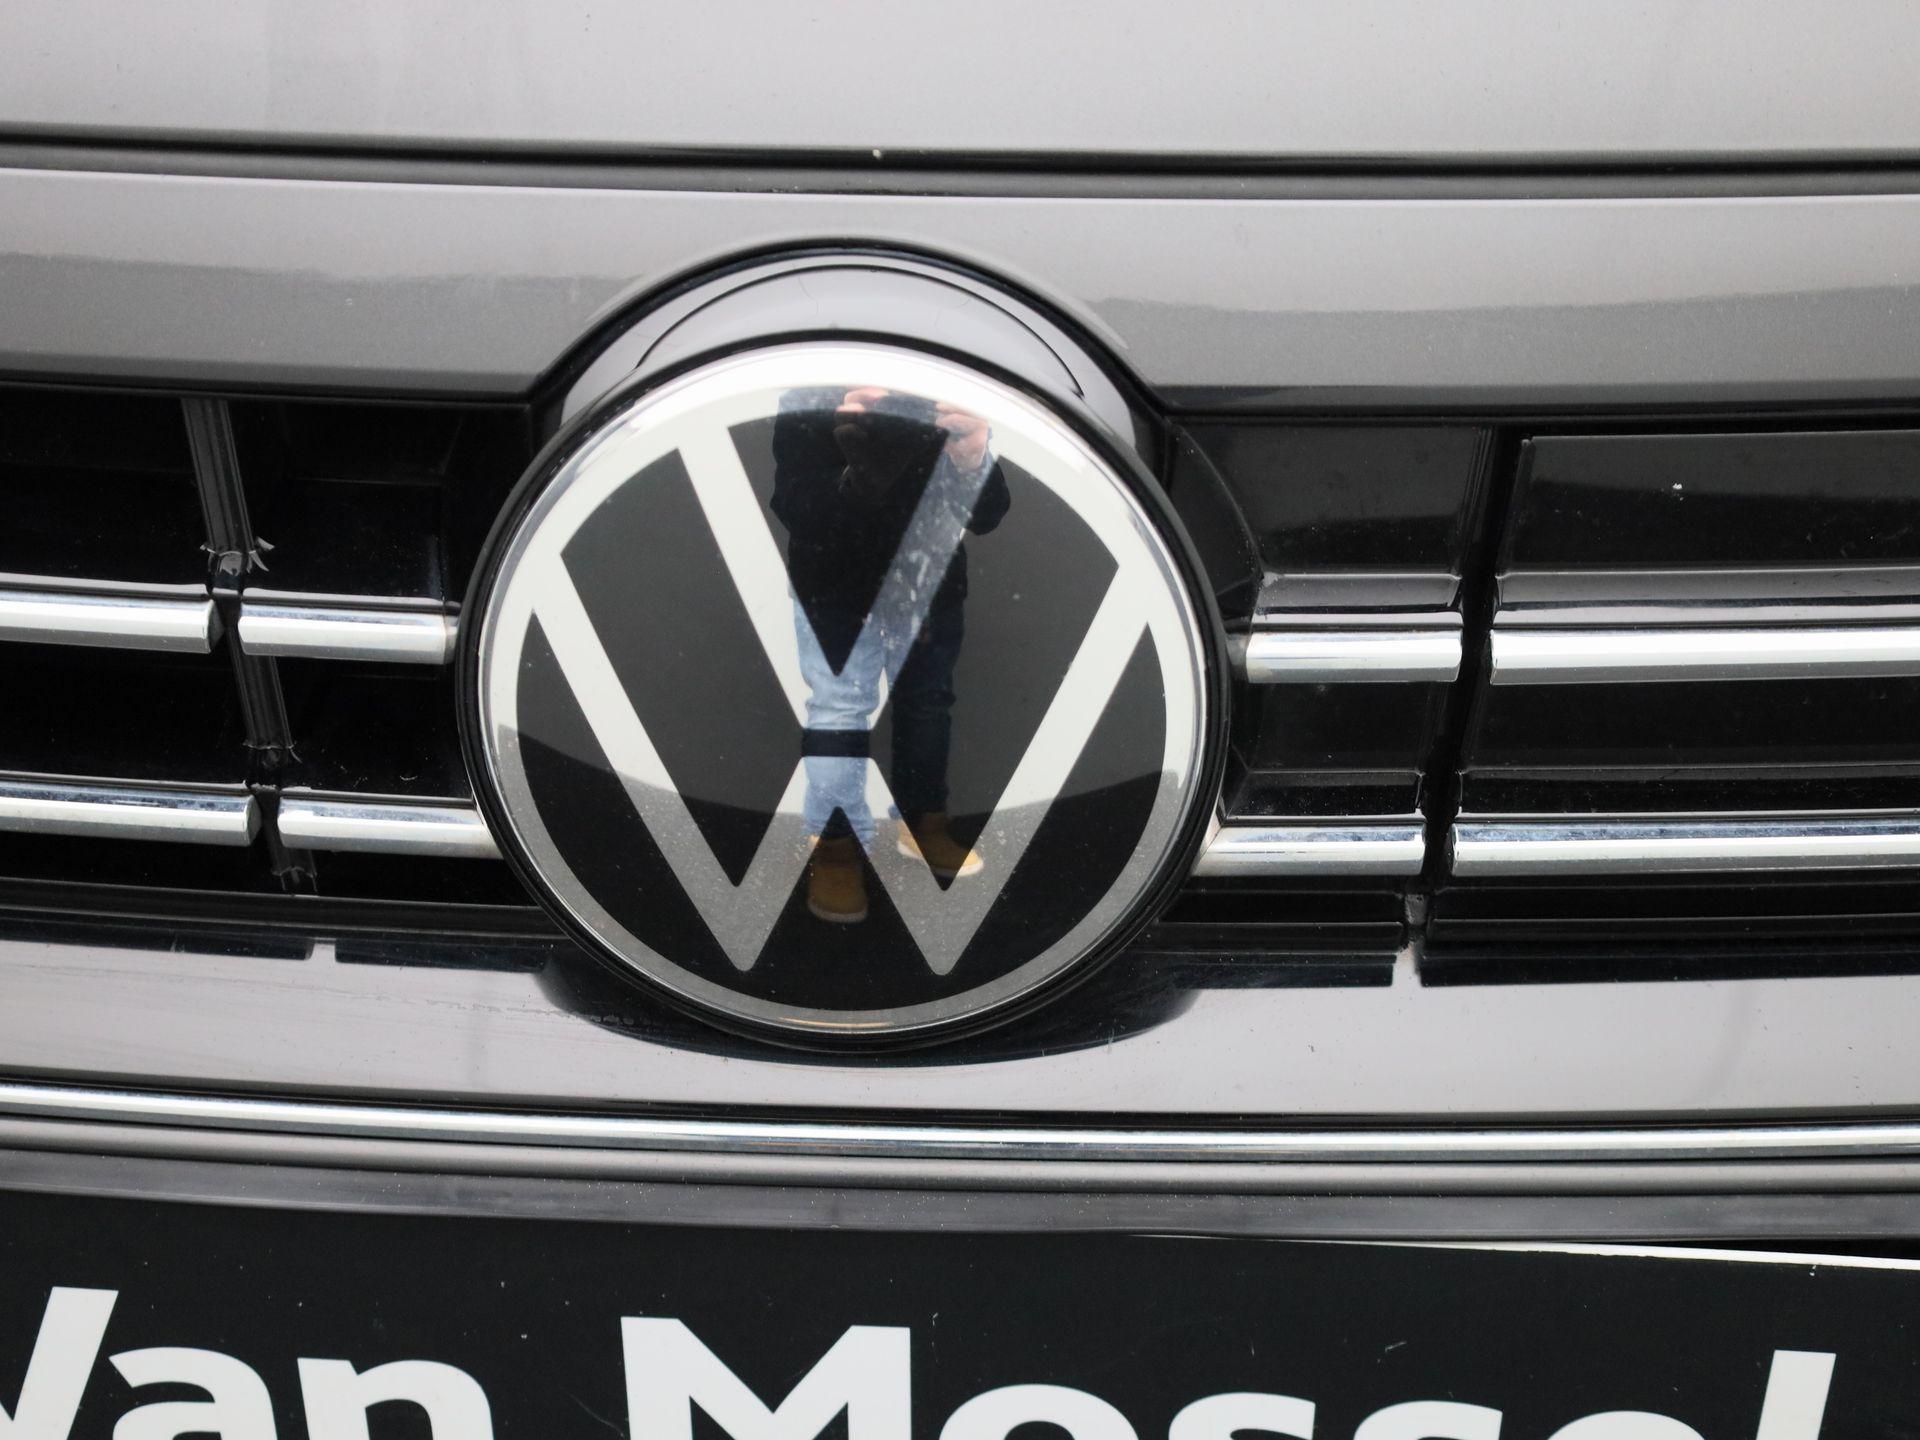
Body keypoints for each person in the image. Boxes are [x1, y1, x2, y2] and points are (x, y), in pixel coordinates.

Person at [770, 384, 1011, 923]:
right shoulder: (812, 394)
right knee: (838, 712)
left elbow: (988, 514)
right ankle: (835, 845)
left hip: (928, 582)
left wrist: (972, 454)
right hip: (833, 588)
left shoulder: (938, 387)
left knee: (927, 704)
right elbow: (794, 506)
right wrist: (859, 477)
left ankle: (923, 825)